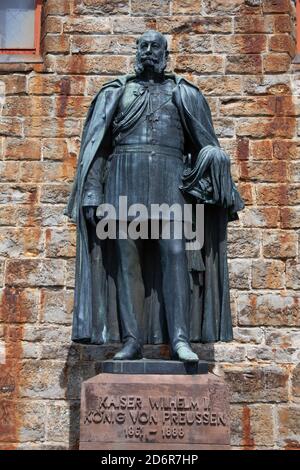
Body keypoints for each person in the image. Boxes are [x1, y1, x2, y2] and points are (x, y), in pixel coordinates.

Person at [65, 30, 244, 362]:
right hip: (122, 187)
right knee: (127, 267)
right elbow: (97, 148)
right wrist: (91, 193)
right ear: (137, 51)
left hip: (169, 187)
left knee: (175, 258)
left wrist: (216, 160)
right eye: (143, 46)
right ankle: (131, 340)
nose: (148, 52)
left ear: (166, 55)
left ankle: (180, 339)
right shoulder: (116, 92)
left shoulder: (183, 94)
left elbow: (205, 143)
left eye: (155, 47)